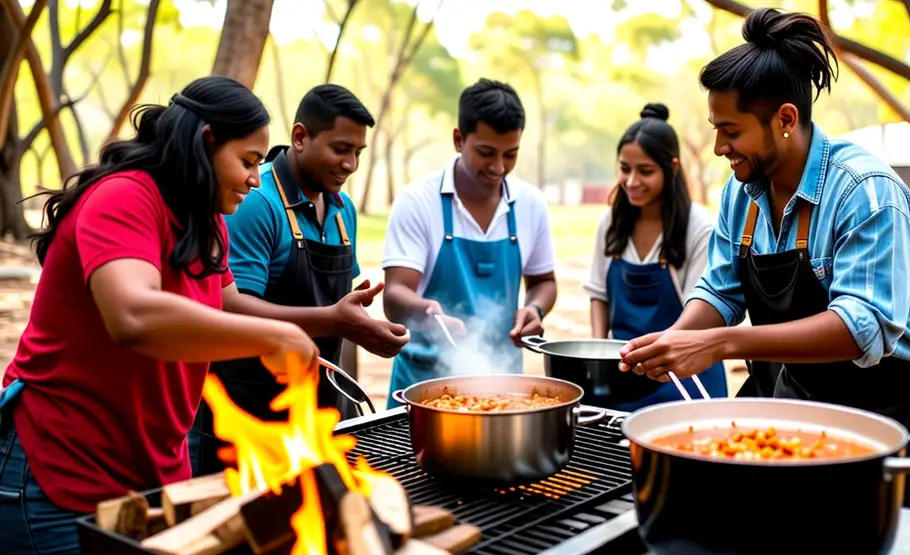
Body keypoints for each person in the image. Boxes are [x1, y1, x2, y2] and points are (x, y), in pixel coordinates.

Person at [619, 8, 910, 528]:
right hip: (816, 391)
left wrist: (723, 344)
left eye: (731, 132)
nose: (721, 147)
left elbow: (863, 328)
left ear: (785, 120)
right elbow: (722, 291)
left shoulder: (865, 192)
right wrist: (674, 341)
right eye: (716, 130)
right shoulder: (740, 193)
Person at [0, 76, 318, 555]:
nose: (258, 178)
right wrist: (275, 337)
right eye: (250, 161)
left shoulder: (204, 216)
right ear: (207, 140)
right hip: (61, 469)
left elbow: (227, 303)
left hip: (154, 468)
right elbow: (134, 314)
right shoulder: (124, 197)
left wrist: (320, 326)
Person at [189, 84, 409, 475]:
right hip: (247, 423)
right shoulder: (254, 202)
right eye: (341, 149)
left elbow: (340, 310)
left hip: (321, 419)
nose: (350, 164)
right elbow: (232, 306)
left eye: (358, 152)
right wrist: (333, 319)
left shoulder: (345, 211)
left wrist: (364, 329)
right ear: (300, 137)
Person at [381, 78, 557, 407]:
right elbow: (395, 294)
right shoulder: (418, 201)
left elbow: (544, 282)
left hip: (502, 390)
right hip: (422, 391)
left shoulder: (531, 204)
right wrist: (427, 310)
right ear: (458, 139)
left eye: (511, 155)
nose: (499, 167)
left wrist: (534, 309)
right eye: (486, 152)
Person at [583, 104, 726, 411]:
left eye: (645, 171)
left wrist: (657, 356)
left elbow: (702, 314)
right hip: (621, 378)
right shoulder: (610, 222)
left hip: (685, 380)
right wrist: (598, 354)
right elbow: (598, 293)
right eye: (625, 168)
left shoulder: (700, 227)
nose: (632, 181)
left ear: (672, 168)